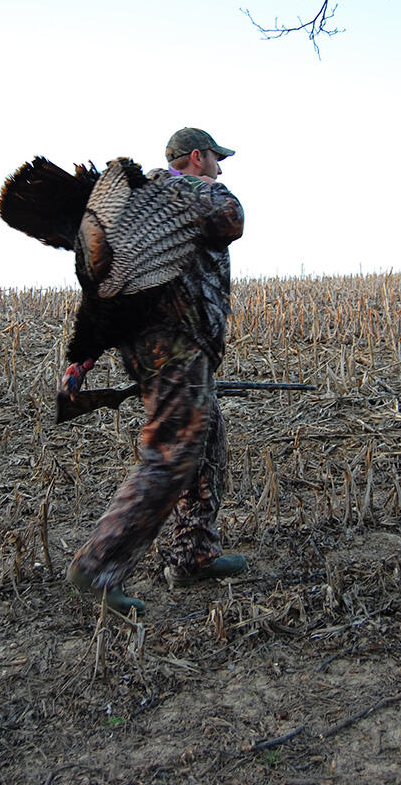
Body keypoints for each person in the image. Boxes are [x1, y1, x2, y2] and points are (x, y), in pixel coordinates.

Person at [65, 128, 246, 615]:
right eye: (214, 159)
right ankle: (96, 569)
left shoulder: (144, 212)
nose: (220, 168)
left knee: (206, 444)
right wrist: (194, 188)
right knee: (172, 455)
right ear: (195, 157)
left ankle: (193, 555)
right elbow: (232, 219)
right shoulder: (178, 191)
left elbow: (108, 288)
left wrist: (81, 358)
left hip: (180, 345)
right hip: (172, 345)